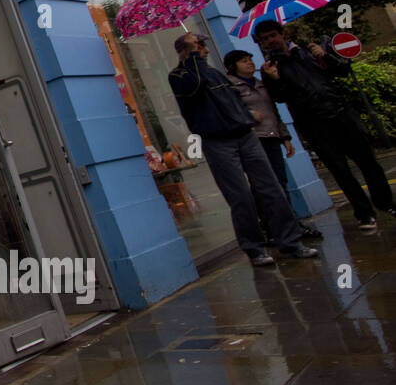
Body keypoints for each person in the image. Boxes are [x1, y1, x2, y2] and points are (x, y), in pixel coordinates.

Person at [168, 32, 317, 266]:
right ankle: (254, 248)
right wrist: (192, 55)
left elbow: (234, 99)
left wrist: (246, 115)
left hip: (245, 136)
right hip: (217, 141)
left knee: (272, 189)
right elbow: (193, 87)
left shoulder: (215, 73)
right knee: (241, 197)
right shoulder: (179, 75)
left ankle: (290, 242)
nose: (205, 51)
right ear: (188, 50)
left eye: (203, 47)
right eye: (199, 47)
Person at [254, 19, 395, 233]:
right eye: (265, 39)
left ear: (282, 33)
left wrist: (325, 56)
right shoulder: (270, 68)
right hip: (314, 125)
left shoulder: (308, 51)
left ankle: (386, 203)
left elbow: (343, 71)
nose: (270, 41)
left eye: (273, 35)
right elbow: (279, 98)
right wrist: (274, 80)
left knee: (369, 163)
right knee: (340, 170)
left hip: (341, 114)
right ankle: (364, 213)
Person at [223, 49, 323, 240]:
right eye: (244, 61)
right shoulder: (230, 87)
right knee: (265, 185)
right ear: (232, 66)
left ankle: (286, 224)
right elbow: (230, 111)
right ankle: (276, 226)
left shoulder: (261, 83)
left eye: (250, 60)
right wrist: (248, 116)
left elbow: (273, 110)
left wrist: (284, 136)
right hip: (253, 139)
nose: (250, 64)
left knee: (279, 181)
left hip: (272, 137)